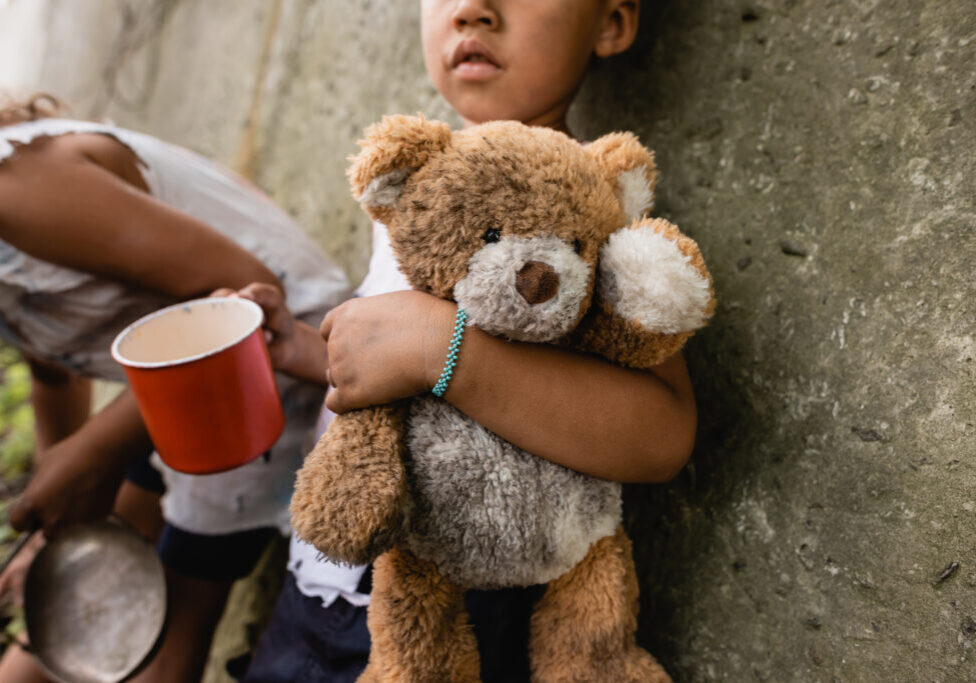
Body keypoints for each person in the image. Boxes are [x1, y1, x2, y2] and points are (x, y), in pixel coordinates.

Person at [241, 1, 697, 681]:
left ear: (611, 24)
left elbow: (663, 434)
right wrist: (306, 350)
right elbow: (391, 375)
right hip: (318, 589)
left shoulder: (598, 226)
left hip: (466, 617)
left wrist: (441, 348)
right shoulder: (416, 194)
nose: (471, 9)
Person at [0, 95, 350, 682]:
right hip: (173, 391)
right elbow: (52, 371)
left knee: (161, 650)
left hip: (276, 360)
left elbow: (244, 294)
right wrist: (58, 514)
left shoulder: (16, 189)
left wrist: (94, 454)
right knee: (51, 638)